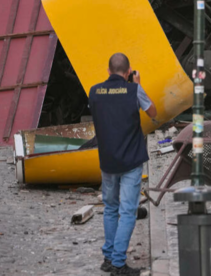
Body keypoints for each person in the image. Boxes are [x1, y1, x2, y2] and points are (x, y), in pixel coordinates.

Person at [89, 53, 157, 276]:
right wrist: (137, 85)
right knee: (127, 211)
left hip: (108, 160)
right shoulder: (133, 90)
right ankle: (118, 264)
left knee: (110, 208)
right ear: (128, 72)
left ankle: (108, 258)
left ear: (108, 71)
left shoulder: (94, 91)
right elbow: (153, 112)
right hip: (131, 160)